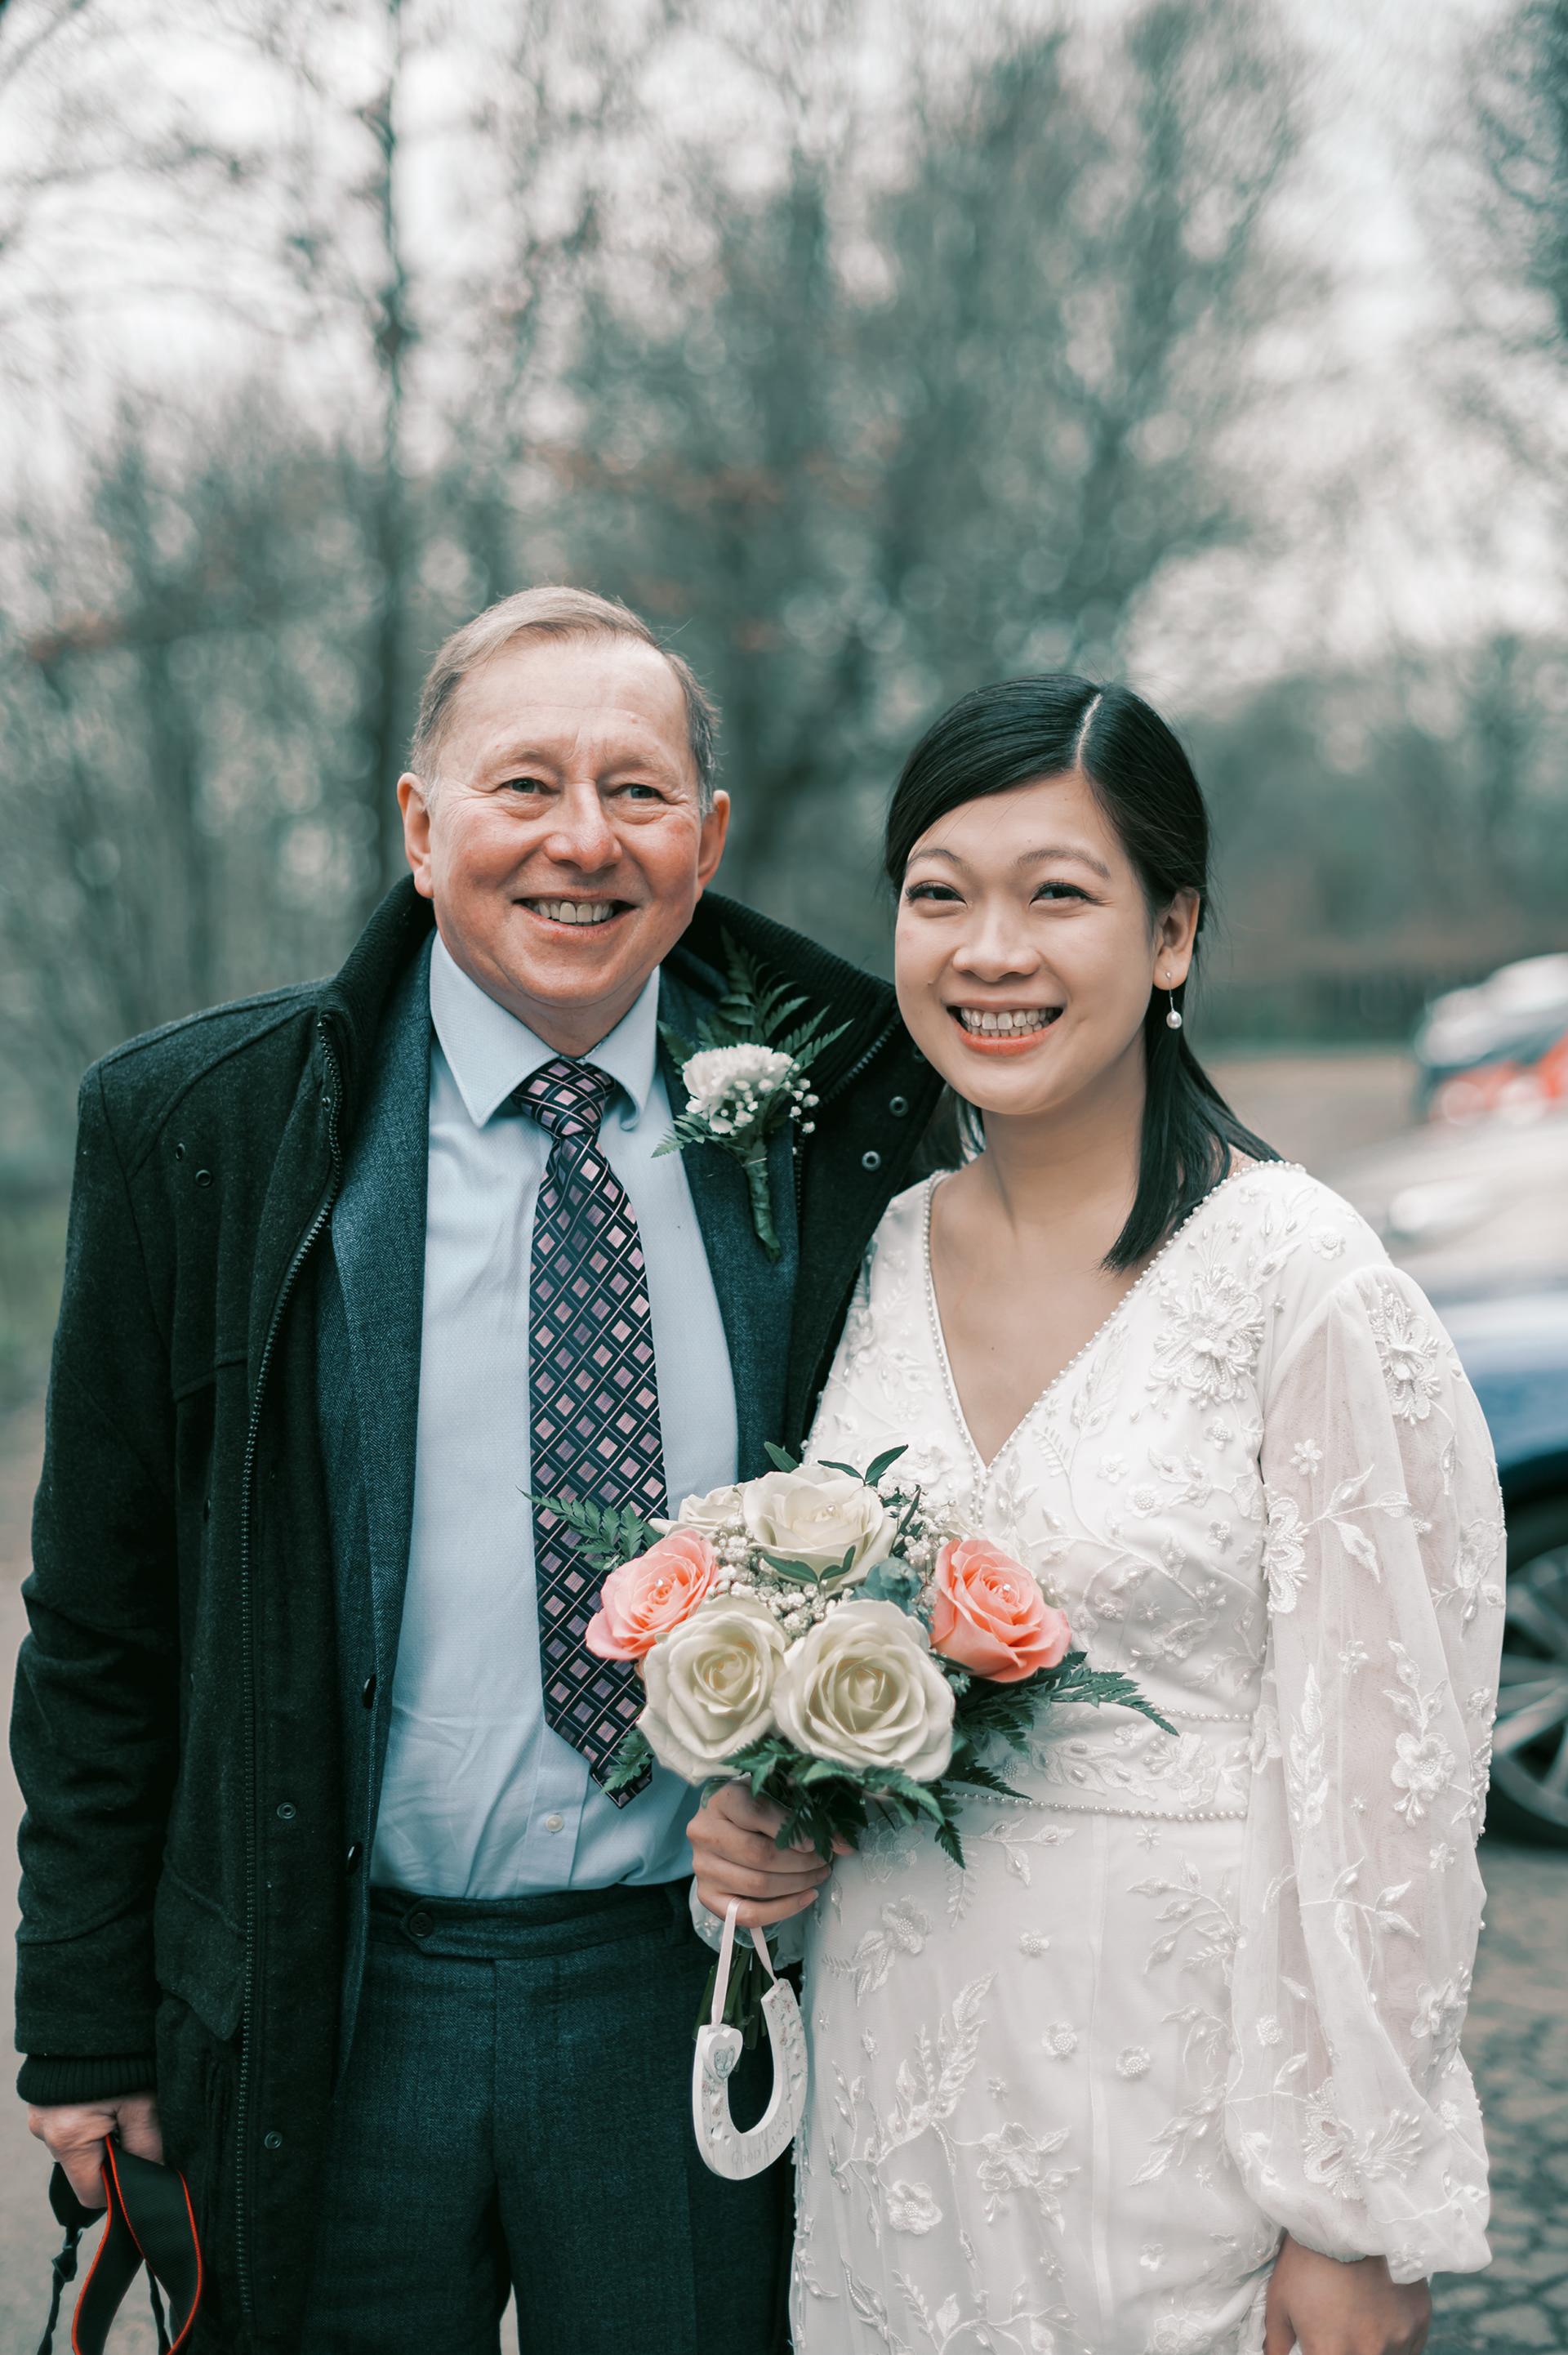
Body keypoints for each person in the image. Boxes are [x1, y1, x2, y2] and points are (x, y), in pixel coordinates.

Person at [12, 586, 943, 2353]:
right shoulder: (200, 1131)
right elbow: (101, 1622)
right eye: (525, 783)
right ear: (420, 826)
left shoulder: (851, 1121)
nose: (583, 840)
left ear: (707, 840)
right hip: (334, 1994)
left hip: (690, 1986)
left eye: (637, 790)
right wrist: (80, 2020)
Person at [688, 675, 1504, 2355]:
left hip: (1178, 2116)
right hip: (899, 2106)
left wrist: (1352, 2209)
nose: (991, 950)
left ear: (1172, 931)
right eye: (940, 894)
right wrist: (772, 1814)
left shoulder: (1301, 1281)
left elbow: (1393, 1785)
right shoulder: (880, 1251)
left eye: (1057, 892)